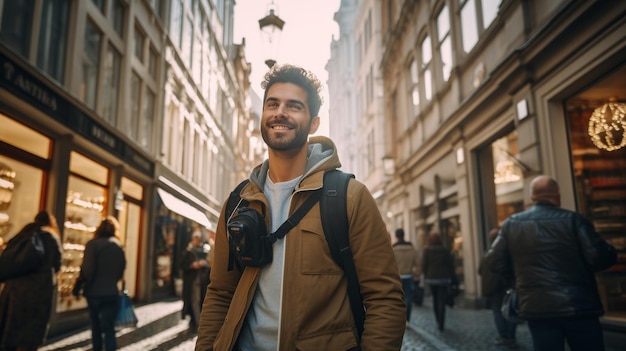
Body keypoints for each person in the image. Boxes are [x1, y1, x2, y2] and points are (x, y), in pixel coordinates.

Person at [195, 64, 405, 350]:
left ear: (314, 123)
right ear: (263, 116)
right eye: (273, 104)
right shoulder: (238, 202)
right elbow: (220, 292)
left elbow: (385, 298)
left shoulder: (349, 197)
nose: (280, 112)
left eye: (294, 106)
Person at [484, 175, 617, 351]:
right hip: (578, 304)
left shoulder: (512, 224)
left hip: (537, 306)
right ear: (557, 194)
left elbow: (493, 261)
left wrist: (519, 277)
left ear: (532, 198)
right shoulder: (574, 220)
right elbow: (599, 258)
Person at [0, 211, 62, 351]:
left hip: (13, 291)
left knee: (10, 334)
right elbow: (57, 264)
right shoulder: (51, 238)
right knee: (29, 338)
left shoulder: (23, 234)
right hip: (38, 293)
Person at [78, 216, 126, 351]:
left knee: (96, 327)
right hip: (111, 292)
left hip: (94, 292)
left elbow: (88, 270)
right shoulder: (118, 246)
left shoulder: (93, 245)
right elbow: (120, 271)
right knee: (109, 328)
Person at [478, 227, 517, 348]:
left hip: (494, 288)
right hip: (507, 285)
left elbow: (480, 271)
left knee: (498, 311)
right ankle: (510, 336)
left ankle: (504, 336)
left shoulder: (487, 254)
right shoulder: (509, 253)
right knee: (510, 310)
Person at [421, 231, 457, 331]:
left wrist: (425, 274)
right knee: (441, 300)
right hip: (444, 278)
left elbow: (424, 264)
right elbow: (450, 264)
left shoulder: (427, 249)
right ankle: (441, 321)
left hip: (432, 278)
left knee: (435, 299)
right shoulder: (445, 249)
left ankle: (438, 320)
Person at [181, 230, 210, 331]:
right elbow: (183, 266)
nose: (196, 241)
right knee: (194, 301)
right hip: (192, 281)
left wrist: (203, 264)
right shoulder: (189, 252)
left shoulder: (205, 251)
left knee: (200, 301)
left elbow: (209, 264)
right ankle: (196, 321)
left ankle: (198, 321)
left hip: (202, 281)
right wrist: (192, 266)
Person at [392, 228, 420, 322]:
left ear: (396, 236)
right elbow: (418, 262)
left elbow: (390, 263)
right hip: (408, 276)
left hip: (397, 277)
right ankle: (407, 319)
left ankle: (400, 319)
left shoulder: (393, 248)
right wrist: (417, 274)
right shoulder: (411, 247)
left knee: (398, 298)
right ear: (404, 235)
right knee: (408, 297)